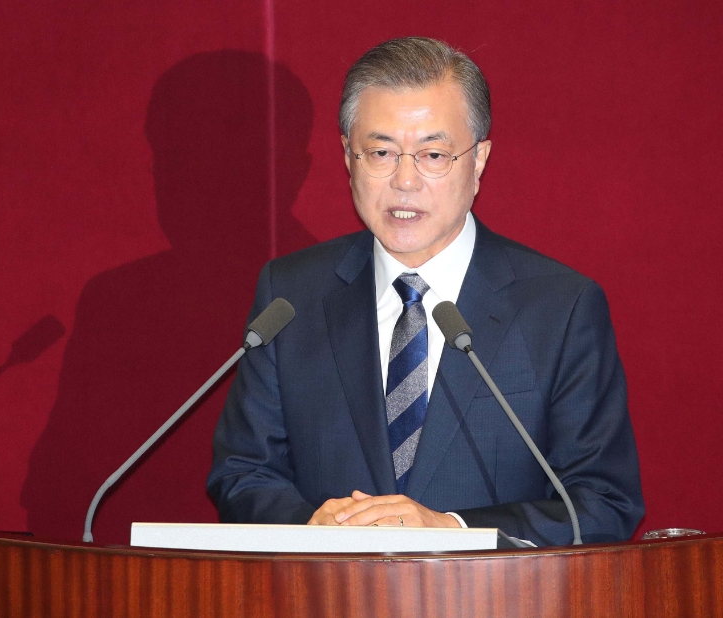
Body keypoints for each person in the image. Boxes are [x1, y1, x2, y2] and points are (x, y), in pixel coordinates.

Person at [207, 37, 643, 545]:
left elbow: (602, 501)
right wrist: (310, 530)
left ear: (478, 161)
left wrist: (453, 530)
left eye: (433, 154)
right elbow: (242, 473)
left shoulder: (560, 308)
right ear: (348, 157)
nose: (405, 181)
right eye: (381, 153)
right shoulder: (290, 297)